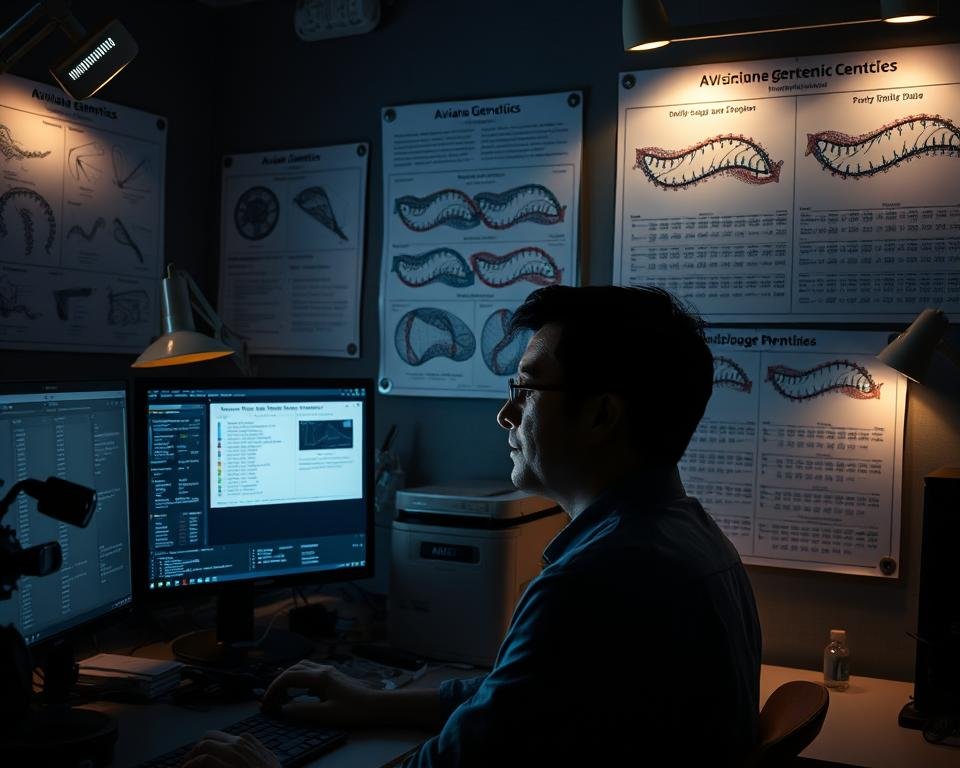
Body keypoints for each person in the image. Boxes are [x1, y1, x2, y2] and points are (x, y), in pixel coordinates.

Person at [184, 285, 762, 767]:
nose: (506, 414)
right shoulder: (694, 540)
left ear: (601, 415)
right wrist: (372, 701)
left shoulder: (594, 583)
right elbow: (514, 700)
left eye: (527, 388)